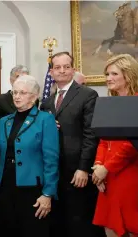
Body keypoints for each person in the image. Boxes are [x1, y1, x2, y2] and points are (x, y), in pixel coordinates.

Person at [40, 52, 105, 237]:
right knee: (58, 221)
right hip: (53, 171)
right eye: (57, 67)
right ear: (51, 72)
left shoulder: (87, 95)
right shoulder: (46, 102)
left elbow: (91, 134)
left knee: (79, 221)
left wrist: (84, 168)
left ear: (73, 69)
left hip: (77, 170)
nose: (62, 71)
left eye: (66, 67)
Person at [0, 75, 59, 237]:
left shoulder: (45, 120)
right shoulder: (4, 121)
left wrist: (48, 193)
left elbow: (51, 160)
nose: (17, 96)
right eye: (15, 92)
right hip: (4, 186)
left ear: (34, 97)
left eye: (22, 93)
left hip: (32, 190)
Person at [92, 54, 138, 237]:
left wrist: (107, 168)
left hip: (130, 175)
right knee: (109, 226)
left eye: (113, 74)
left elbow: (132, 144)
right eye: (106, 74)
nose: (108, 78)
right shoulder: (109, 102)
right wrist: (98, 167)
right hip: (107, 176)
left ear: (127, 75)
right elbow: (103, 139)